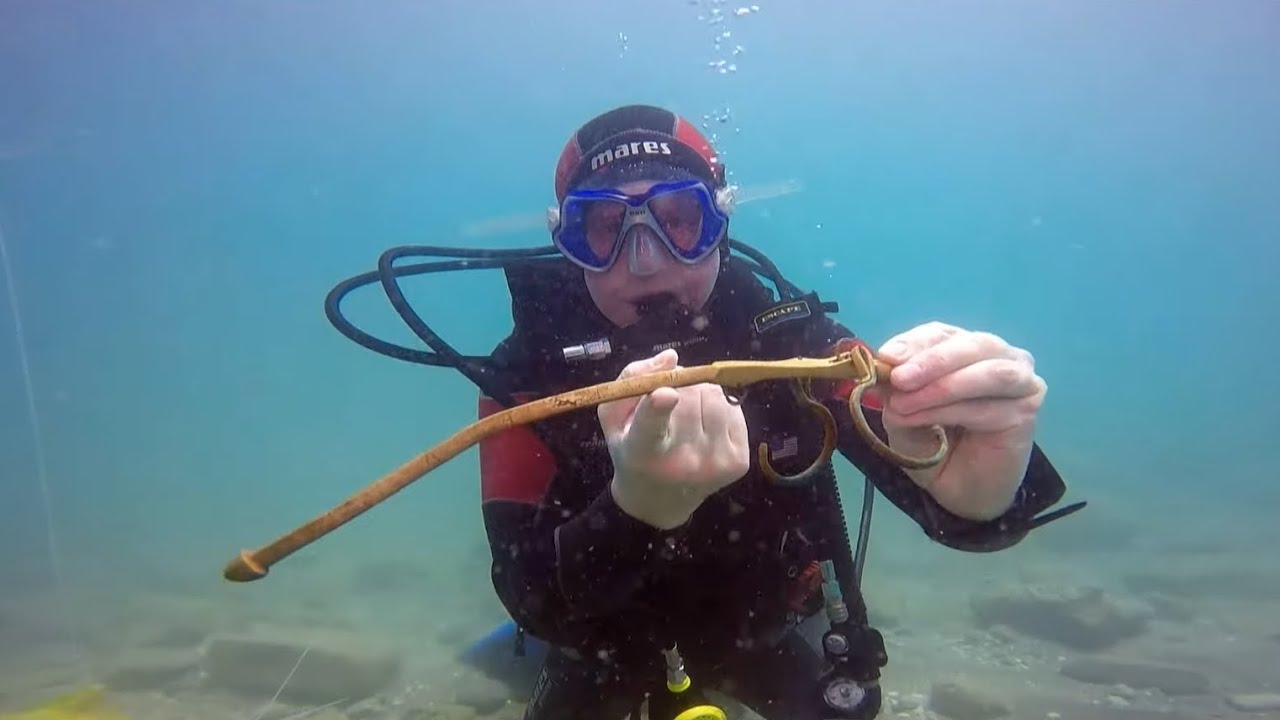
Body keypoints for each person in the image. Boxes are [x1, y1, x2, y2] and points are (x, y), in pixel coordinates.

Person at [473, 104, 1083, 720]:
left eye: (679, 219)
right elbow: (530, 598)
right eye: (606, 226)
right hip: (601, 646)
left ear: (720, 222)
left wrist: (982, 497)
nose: (646, 261)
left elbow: (953, 487)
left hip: (757, 631)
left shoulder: (794, 346)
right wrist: (633, 514)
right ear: (568, 242)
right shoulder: (525, 378)